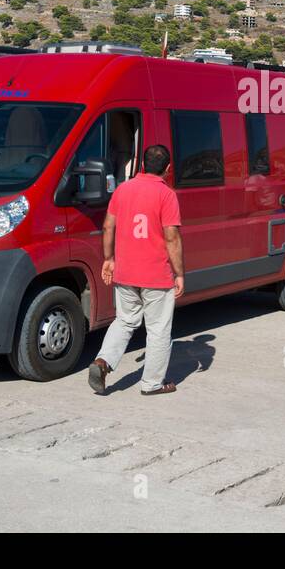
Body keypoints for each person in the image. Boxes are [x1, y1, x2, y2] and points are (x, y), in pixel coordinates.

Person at [88, 144, 185, 396]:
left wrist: (109, 258)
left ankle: (103, 362)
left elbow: (109, 227)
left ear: (142, 165)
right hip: (156, 275)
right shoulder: (167, 195)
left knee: (125, 321)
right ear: (168, 168)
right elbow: (172, 237)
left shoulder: (123, 189)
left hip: (126, 272)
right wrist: (179, 273)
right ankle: (152, 384)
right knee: (158, 330)